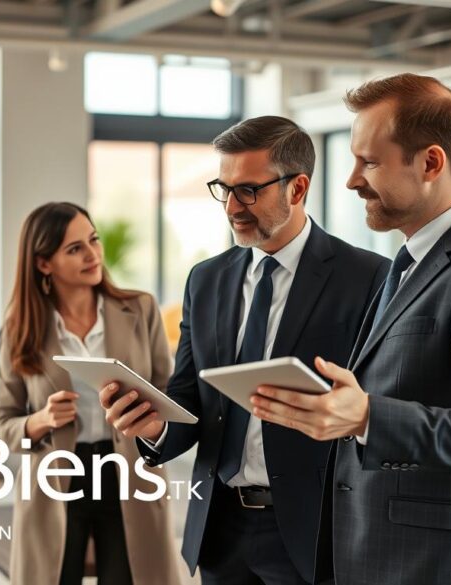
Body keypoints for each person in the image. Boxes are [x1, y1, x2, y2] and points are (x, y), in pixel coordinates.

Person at [247, 74, 451, 585]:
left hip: (442, 562)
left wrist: (367, 415)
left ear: (431, 162)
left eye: (369, 161)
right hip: (385, 551)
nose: (351, 179)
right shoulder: (411, 260)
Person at [100, 116, 390, 585]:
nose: (232, 206)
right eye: (224, 188)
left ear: (297, 189)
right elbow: (191, 396)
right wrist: (155, 425)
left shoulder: (369, 278)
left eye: (249, 191)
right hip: (220, 529)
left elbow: (372, 408)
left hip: (313, 532)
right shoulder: (207, 278)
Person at [0, 202, 180, 585]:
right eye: (75, 248)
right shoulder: (21, 329)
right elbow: (1, 423)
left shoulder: (140, 308)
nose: (93, 254)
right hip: (57, 480)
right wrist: (40, 420)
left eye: (92, 240)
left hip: (128, 473)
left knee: (132, 575)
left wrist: (150, 416)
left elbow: (168, 393)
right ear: (44, 264)